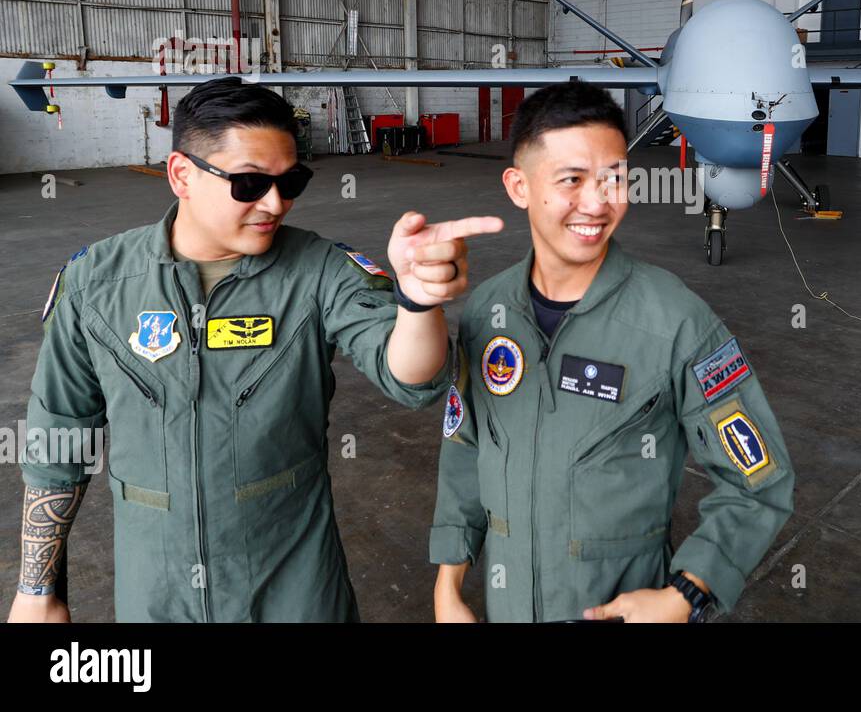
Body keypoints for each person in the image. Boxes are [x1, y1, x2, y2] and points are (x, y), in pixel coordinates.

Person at [10, 77, 501, 622]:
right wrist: (38, 590)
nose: (275, 203)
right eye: (248, 184)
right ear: (182, 175)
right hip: (156, 593)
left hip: (293, 589)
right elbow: (58, 443)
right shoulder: (94, 285)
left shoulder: (318, 273)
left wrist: (416, 302)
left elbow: (410, 377)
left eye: (291, 181)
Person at [428, 82, 794, 622]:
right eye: (572, 180)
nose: (598, 203)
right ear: (519, 186)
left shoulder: (675, 320)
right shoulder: (487, 311)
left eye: (615, 179)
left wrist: (686, 594)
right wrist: (448, 583)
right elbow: (464, 448)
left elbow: (760, 479)